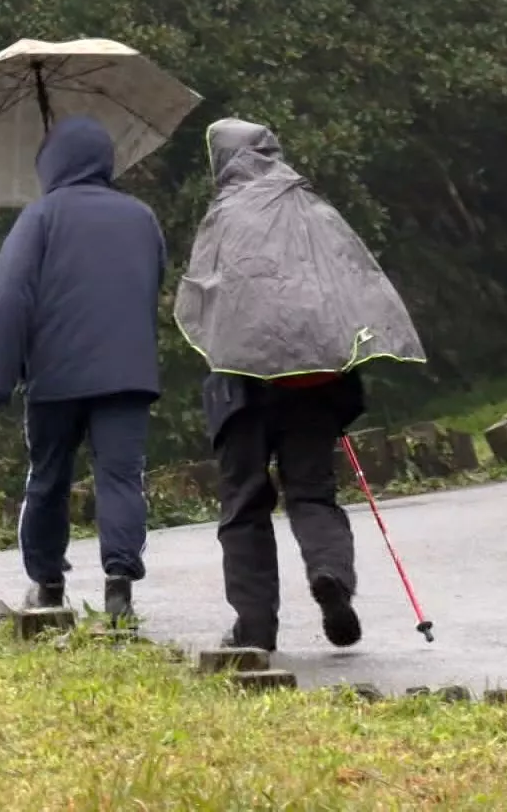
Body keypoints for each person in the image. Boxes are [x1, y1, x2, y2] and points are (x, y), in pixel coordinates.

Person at [175, 118, 427, 652]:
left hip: (242, 384)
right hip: (313, 378)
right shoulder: (312, 207)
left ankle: (254, 629)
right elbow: (351, 281)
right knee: (312, 492)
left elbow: (203, 298)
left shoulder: (223, 215)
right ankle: (330, 574)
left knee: (244, 504)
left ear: (222, 161)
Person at [0, 115, 167, 620]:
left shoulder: (40, 217)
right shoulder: (141, 216)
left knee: (48, 477)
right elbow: (153, 280)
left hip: (55, 378)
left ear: (51, 165)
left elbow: (9, 299)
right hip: (127, 376)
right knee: (122, 478)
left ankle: (47, 584)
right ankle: (120, 582)